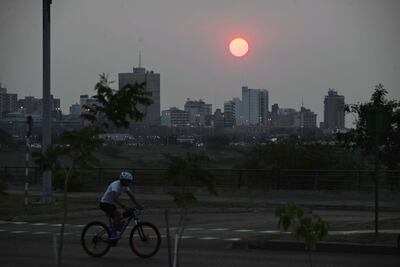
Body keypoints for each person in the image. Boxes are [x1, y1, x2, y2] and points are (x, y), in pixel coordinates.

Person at [99, 171, 143, 240]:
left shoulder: (125, 186)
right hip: (105, 203)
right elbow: (114, 197)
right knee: (118, 215)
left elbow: (132, 196)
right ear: (123, 180)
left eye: (130, 181)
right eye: (128, 181)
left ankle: (113, 232)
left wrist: (138, 205)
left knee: (120, 219)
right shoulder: (115, 185)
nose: (129, 183)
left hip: (111, 204)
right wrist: (123, 206)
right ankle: (113, 234)